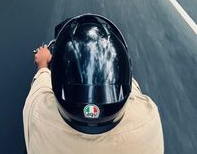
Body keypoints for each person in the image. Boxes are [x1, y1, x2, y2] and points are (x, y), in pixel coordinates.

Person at [23, 14, 164, 154]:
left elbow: (41, 86)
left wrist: (43, 64)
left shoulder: (38, 114)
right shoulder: (149, 117)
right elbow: (132, 87)